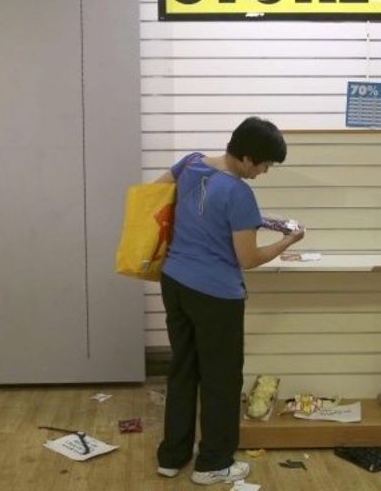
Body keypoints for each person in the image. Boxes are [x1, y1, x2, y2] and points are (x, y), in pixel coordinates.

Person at [154, 116, 305, 485]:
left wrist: (253, 221)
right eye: (265, 164)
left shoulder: (191, 162)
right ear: (249, 157)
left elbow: (156, 192)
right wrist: (287, 242)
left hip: (174, 281)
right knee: (221, 380)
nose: (265, 172)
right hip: (215, 296)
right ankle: (213, 465)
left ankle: (172, 457)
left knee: (183, 369)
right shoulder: (238, 193)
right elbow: (248, 260)